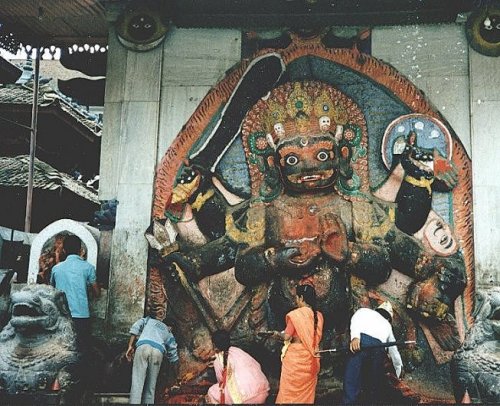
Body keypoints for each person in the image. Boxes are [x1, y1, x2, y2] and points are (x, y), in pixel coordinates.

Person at [343, 301, 403, 405]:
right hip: (378, 349)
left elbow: (356, 319)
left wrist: (355, 337)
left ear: (377, 310)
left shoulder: (365, 311)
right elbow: (393, 349)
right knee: (373, 382)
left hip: (362, 343)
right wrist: (399, 368)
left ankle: (349, 401)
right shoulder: (388, 326)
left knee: (352, 377)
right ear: (389, 318)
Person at [272, 283, 324, 404]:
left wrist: (276, 334)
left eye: (296, 297)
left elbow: (287, 336)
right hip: (311, 358)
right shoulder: (319, 316)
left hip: (295, 359)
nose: (295, 300)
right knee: (305, 395)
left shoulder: (296, 315)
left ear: (301, 298)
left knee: (289, 392)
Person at [50, 234, 100, 352]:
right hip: (81, 315)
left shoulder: (56, 269)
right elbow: (97, 293)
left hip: (61, 315)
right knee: (81, 349)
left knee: (60, 349)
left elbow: (51, 290)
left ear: (64, 250)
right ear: (80, 250)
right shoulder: (88, 267)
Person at [126, 310, 180, 404]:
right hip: (157, 352)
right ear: (172, 328)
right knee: (151, 386)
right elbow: (174, 357)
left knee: (137, 382)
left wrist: (130, 345)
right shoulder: (169, 333)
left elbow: (136, 326)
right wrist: (176, 376)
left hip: (143, 347)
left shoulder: (149, 320)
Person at [206, 329, 270, 404]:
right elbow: (257, 365)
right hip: (263, 393)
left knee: (211, 392)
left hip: (245, 399)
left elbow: (221, 382)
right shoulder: (238, 351)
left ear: (214, 345)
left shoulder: (218, 360)